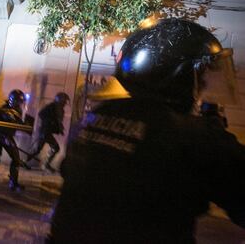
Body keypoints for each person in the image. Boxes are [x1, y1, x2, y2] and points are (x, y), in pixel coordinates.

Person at [49, 18, 245, 243]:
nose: (201, 90)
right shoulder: (191, 135)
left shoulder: (96, 117)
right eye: (200, 79)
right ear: (178, 76)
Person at [26, 92, 69, 172]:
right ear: (60, 100)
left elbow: (58, 121)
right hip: (45, 132)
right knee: (53, 148)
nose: (65, 103)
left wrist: (60, 129)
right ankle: (44, 164)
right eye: (64, 101)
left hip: (47, 132)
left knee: (39, 149)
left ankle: (26, 161)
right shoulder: (51, 107)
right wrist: (50, 122)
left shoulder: (59, 109)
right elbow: (41, 114)